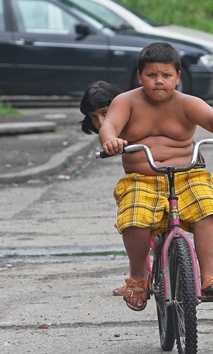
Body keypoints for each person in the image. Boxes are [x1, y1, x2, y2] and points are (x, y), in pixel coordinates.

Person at [99, 42, 213, 311]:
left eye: (166, 75)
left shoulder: (188, 104)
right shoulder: (126, 102)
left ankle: (209, 275)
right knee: (135, 216)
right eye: (152, 75)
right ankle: (139, 278)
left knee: (206, 208)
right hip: (142, 178)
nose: (159, 82)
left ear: (178, 76)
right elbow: (110, 125)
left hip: (186, 176)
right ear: (140, 76)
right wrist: (110, 140)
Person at [80, 81, 136, 297]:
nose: (100, 122)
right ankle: (138, 278)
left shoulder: (141, 117)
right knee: (135, 225)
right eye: (94, 117)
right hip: (141, 181)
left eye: (105, 113)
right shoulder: (111, 131)